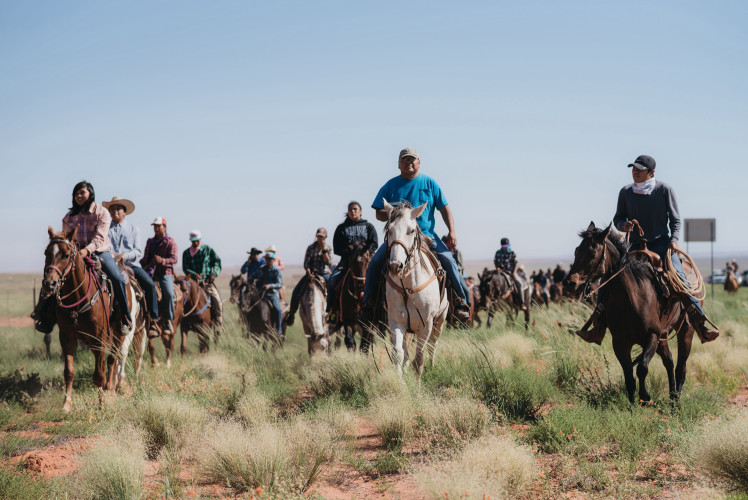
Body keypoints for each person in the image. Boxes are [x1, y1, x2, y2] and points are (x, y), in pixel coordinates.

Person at [576, 154, 719, 344]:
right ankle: (597, 328)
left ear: (651, 172)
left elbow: (675, 220)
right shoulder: (625, 192)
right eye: (633, 169)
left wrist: (674, 240)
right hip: (634, 246)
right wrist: (624, 226)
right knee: (608, 279)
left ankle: (700, 324)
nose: (634, 172)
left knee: (680, 276)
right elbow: (618, 219)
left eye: (639, 170)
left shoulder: (664, 190)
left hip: (661, 245)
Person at [360, 147, 471, 322]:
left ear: (419, 163)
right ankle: (368, 305)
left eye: (412, 159)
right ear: (398, 164)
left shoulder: (430, 183)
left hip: (427, 236)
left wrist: (452, 231)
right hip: (398, 238)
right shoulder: (390, 185)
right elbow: (378, 213)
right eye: (404, 160)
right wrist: (393, 213)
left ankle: (461, 302)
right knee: (374, 263)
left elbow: (444, 208)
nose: (408, 162)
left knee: (449, 261)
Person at [32, 181, 132, 333]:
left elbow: (99, 237)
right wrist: (73, 251)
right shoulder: (69, 216)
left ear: (90, 193)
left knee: (117, 277)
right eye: (76, 193)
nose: (79, 196)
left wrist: (87, 250)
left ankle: (125, 317)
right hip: (74, 254)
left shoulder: (102, 212)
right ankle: (45, 317)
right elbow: (67, 238)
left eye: (82, 192)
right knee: (53, 277)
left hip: (99, 252)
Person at [103, 196, 160, 338]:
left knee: (149, 284)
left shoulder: (134, 229)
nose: (114, 211)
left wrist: (124, 256)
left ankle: (153, 320)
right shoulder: (104, 229)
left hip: (130, 265)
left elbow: (138, 251)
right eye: (112, 209)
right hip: (109, 265)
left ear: (125, 212)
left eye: (118, 208)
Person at [326, 201, 379, 325]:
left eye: (355, 209)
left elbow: (375, 244)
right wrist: (350, 252)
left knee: (382, 280)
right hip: (347, 262)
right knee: (332, 281)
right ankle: (332, 311)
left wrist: (365, 253)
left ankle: (382, 312)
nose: (353, 211)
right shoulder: (341, 228)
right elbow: (337, 248)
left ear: (361, 211)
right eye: (350, 209)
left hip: (366, 262)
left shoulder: (368, 226)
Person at [284, 228, 332, 326]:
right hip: (311, 273)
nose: (320, 238)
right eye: (318, 236)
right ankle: (291, 314)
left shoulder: (328, 248)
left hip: (324, 273)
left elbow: (329, 262)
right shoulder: (311, 248)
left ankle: (335, 314)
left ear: (325, 237)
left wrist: (324, 250)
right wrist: (309, 272)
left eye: (322, 236)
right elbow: (306, 263)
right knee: (296, 291)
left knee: (334, 288)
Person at [141, 217, 178, 336]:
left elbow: (174, 259)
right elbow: (145, 258)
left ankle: (168, 321)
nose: (156, 228)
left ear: (164, 227)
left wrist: (162, 260)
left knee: (168, 293)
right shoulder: (150, 242)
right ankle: (149, 321)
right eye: (155, 226)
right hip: (151, 272)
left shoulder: (170, 242)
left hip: (164, 273)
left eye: (158, 226)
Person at [182, 230, 223, 332]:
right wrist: (194, 274)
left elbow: (217, 262)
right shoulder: (186, 253)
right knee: (182, 298)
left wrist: (214, 274)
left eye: (196, 240)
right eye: (192, 241)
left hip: (206, 282)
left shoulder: (208, 250)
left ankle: (218, 323)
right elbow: (185, 268)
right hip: (192, 284)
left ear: (200, 239)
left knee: (217, 299)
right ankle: (182, 322)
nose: (194, 243)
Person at [249, 251, 284, 338]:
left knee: (278, 310)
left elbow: (279, 284)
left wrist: (269, 286)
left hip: (272, 294)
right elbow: (253, 277)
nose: (268, 261)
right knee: (249, 307)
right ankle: (249, 328)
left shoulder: (277, 270)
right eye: (266, 259)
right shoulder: (261, 268)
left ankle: (279, 330)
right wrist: (252, 280)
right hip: (261, 293)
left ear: (273, 260)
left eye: (270, 259)